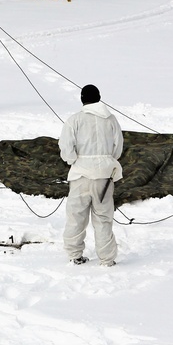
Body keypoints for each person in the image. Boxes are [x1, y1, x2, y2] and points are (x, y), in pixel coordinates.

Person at [58, 84, 124, 266]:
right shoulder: (111, 120)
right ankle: (107, 259)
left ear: (82, 99)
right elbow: (117, 149)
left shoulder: (74, 120)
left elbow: (66, 148)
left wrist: (74, 161)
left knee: (76, 216)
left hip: (80, 176)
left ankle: (74, 255)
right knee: (103, 218)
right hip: (104, 177)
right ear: (99, 97)